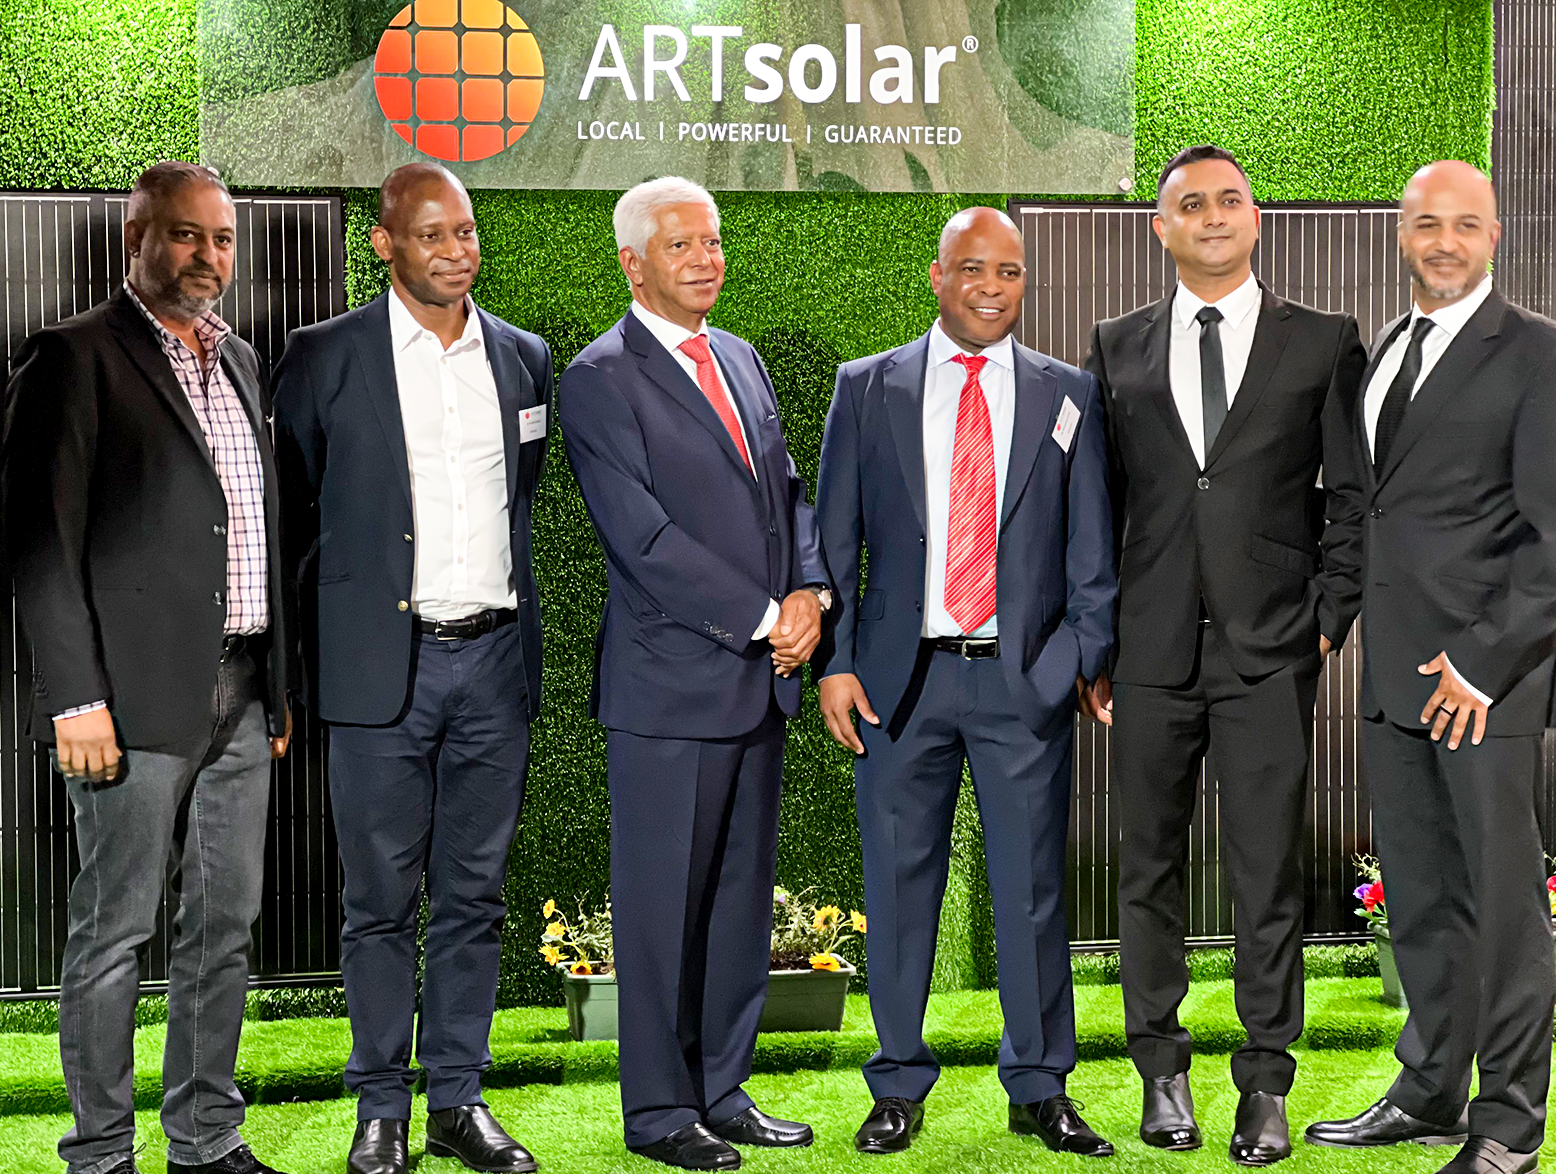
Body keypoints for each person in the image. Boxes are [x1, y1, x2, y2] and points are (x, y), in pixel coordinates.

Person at [2, 161, 292, 1174]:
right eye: (184, 234)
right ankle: (100, 1152)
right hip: (127, 705)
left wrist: (277, 689)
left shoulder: (242, 361)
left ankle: (205, 1139)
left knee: (224, 927)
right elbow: (40, 542)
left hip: (245, 695)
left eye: (221, 238)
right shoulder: (73, 355)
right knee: (115, 931)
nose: (207, 255)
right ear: (137, 240)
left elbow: (258, 527)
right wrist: (76, 699)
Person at [1081, 143, 1368, 1165]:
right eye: (1190, 204)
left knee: (1266, 874)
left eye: (1229, 200)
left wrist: (1326, 618)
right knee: (1146, 869)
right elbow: (1097, 505)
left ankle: (1263, 1084)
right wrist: (1096, 637)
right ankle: (1160, 1072)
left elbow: (1352, 497)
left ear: (1255, 217)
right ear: (1159, 227)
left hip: (1270, 653)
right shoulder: (1113, 344)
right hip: (1147, 652)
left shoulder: (1324, 340)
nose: (1212, 215)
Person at [813, 207, 1117, 1158]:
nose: (992, 288)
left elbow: (1093, 547)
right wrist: (836, 663)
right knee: (901, 892)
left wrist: (1075, 661)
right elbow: (833, 540)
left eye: (1010, 272)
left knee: (1032, 893)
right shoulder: (867, 386)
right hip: (898, 688)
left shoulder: (1070, 392)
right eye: (974, 269)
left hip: (1022, 687)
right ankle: (897, 1085)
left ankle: (1039, 1087)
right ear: (938, 276)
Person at [272, 162, 550, 1174]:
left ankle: (456, 1102)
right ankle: (381, 1107)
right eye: (430, 234)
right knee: (380, 903)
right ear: (384, 243)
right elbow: (292, 517)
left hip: (494, 667)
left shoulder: (523, 358)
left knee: (475, 899)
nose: (454, 251)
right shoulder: (323, 355)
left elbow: (522, 491)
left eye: (464, 231)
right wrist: (289, 677)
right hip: (378, 677)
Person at [559, 176, 831, 1172]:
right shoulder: (599, 378)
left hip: (759, 687)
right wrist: (766, 618)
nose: (706, 259)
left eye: (712, 241)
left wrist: (810, 592)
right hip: (669, 695)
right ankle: (660, 1112)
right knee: (661, 913)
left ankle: (721, 1088)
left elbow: (787, 491)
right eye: (681, 245)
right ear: (632, 264)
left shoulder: (741, 358)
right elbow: (642, 539)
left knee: (735, 906)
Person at [1304, 161, 1556, 1174]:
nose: (1444, 241)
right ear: (1401, 235)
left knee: (1502, 909)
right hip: (1391, 679)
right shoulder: (1383, 351)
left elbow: (1551, 540)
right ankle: (1429, 1092)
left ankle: (1508, 1126)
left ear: (1494, 236)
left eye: (1464, 224)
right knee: (1418, 899)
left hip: (1484, 687)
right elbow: (1370, 510)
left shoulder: (1536, 352)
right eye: (1425, 223)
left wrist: (1482, 664)